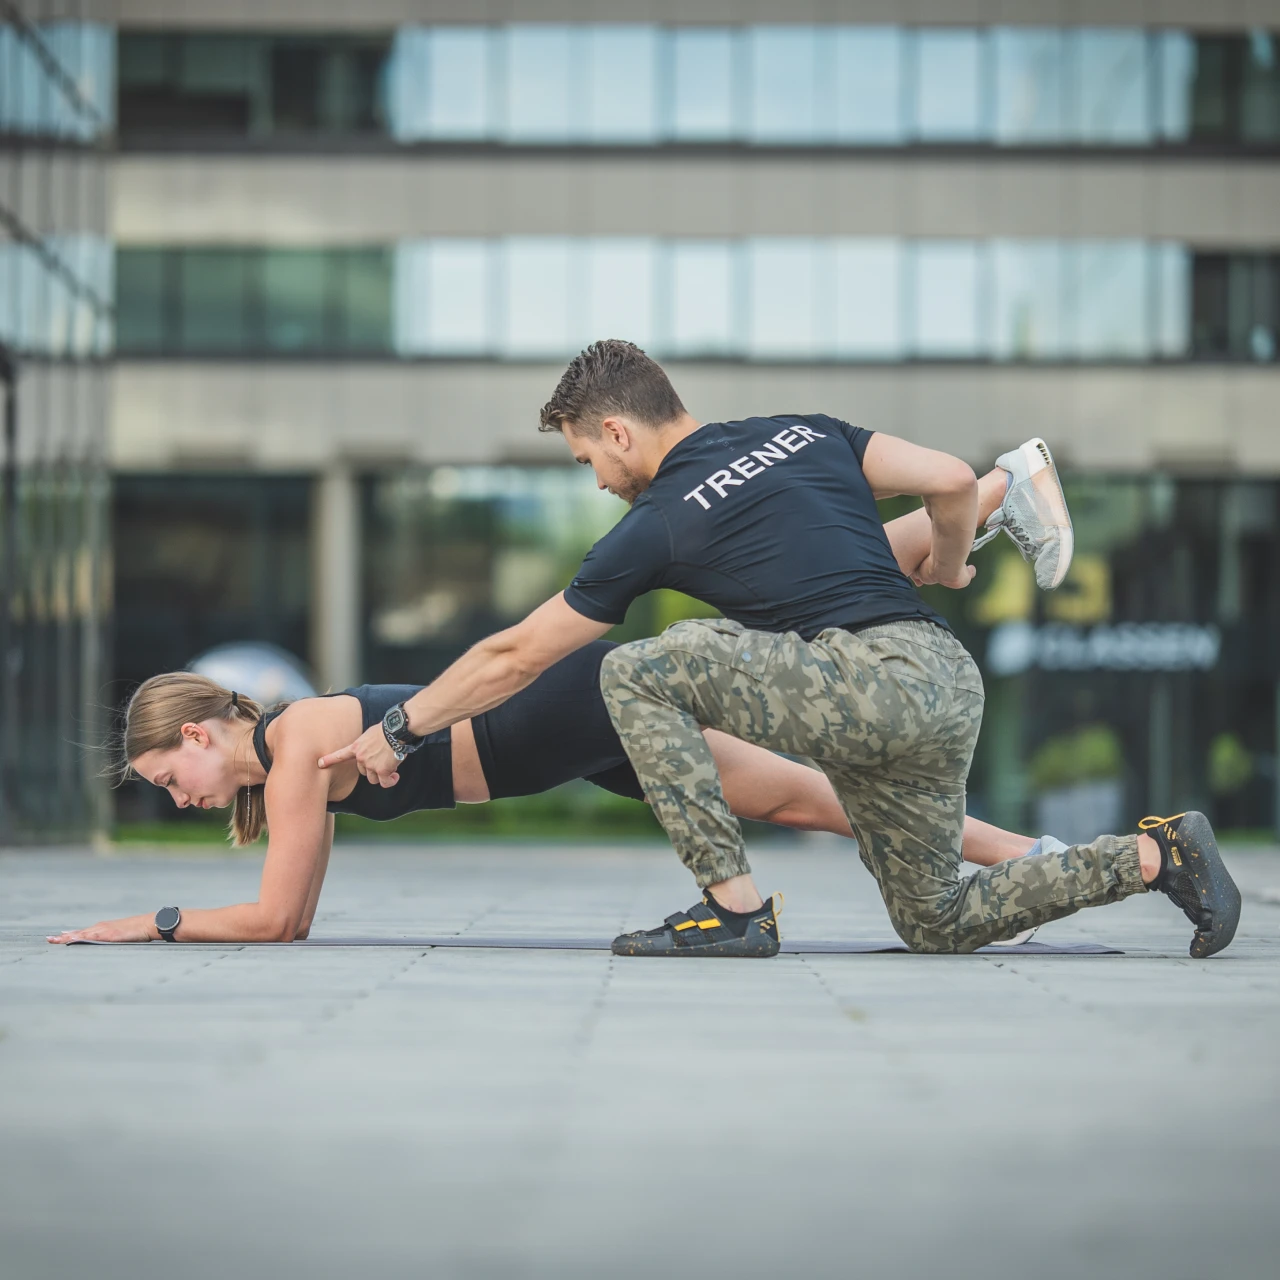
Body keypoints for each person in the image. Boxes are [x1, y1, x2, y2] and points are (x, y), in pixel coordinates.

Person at [320, 340, 1239, 961]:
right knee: (937, 921)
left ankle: (733, 909)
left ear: (617, 432)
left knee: (629, 669)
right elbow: (952, 479)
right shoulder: (805, 434)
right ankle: (1154, 856)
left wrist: (401, 728)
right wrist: (950, 564)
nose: (596, 481)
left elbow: (518, 654)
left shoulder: (657, 521)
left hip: (872, 686)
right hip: (942, 687)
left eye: (585, 459)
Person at [48, 659, 1057, 945]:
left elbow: (277, 921)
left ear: (195, 736)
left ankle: (963, 507)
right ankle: (1032, 854)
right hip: (572, 740)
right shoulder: (285, 762)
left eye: (167, 779)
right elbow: (295, 916)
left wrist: (157, 921)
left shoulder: (298, 739)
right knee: (811, 802)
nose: (175, 798)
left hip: (570, 709)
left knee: (808, 786)